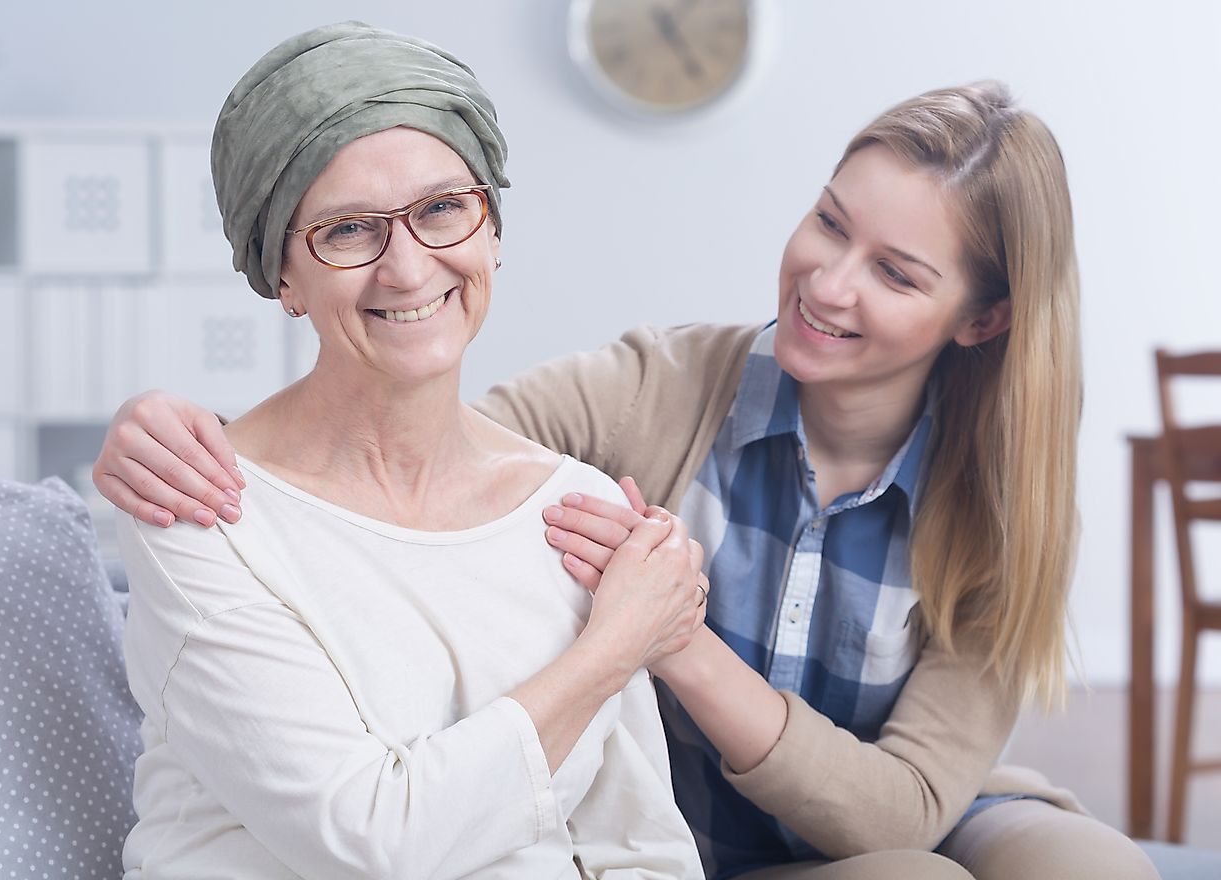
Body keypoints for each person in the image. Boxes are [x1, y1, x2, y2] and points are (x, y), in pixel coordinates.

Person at [97, 78, 1161, 879]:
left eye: (896, 271)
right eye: (832, 221)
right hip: (685, 823)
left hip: (903, 812)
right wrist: (190, 436)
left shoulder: (1002, 506)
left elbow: (901, 811)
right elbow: (409, 466)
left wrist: (675, 639)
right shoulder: (656, 386)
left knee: (1096, 869)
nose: (829, 282)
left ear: (981, 319)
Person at [112, 21, 708, 880]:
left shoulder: (575, 511)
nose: (407, 267)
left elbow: (640, 845)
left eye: (440, 210)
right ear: (282, 275)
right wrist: (616, 645)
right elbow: (372, 842)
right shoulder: (203, 512)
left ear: (492, 229)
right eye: (349, 230)